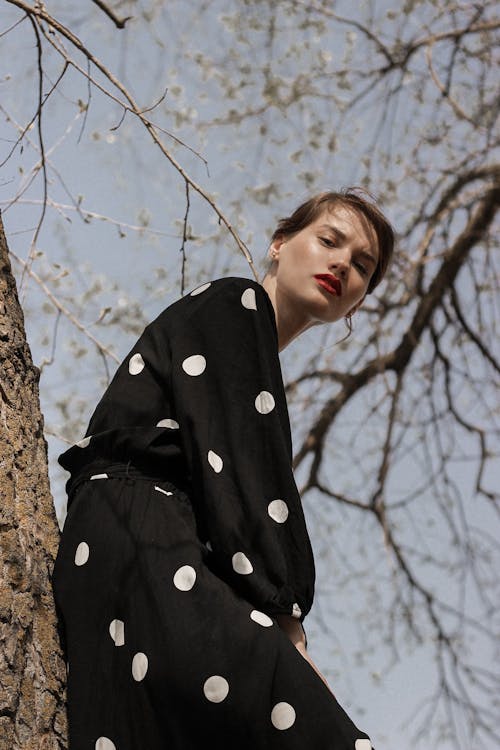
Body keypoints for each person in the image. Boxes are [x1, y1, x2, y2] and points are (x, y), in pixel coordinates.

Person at [52, 189, 394, 750]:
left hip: (137, 542)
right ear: (279, 245)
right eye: (330, 241)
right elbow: (241, 477)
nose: (342, 264)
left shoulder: (253, 357)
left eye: (362, 265)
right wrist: (288, 619)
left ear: (356, 303)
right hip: (140, 525)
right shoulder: (235, 304)